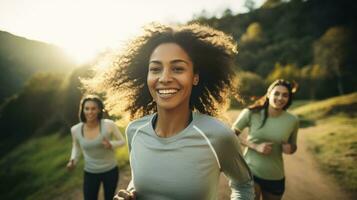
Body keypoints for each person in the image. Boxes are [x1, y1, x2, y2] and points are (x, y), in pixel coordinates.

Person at [85, 23, 255, 200]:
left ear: (195, 77)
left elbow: (243, 185)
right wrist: (129, 195)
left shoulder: (218, 135)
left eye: (178, 68)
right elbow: (137, 181)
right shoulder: (135, 131)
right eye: (155, 69)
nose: (164, 78)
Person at [232, 79, 299, 200]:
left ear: (289, 98)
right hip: (249, 172)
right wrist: (255, 146)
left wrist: (290, 148)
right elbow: (230, 135)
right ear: (269, 94)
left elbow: (293, 145)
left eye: (285, 95)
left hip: (275, 176)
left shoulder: (293, 120)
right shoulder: (251, 113)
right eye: (276, 93)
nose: (280, 98)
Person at [66, 95, 125, 200]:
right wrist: (73, 160)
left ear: (99, 110)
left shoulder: (109, 125)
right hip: (90, 172)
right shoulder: (75, 130)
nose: (90, 112)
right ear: (82, 110)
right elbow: (76, 146)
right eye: (87, 108)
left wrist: (111, 144)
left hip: (110, 170)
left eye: (93, 108)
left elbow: (122, 141)